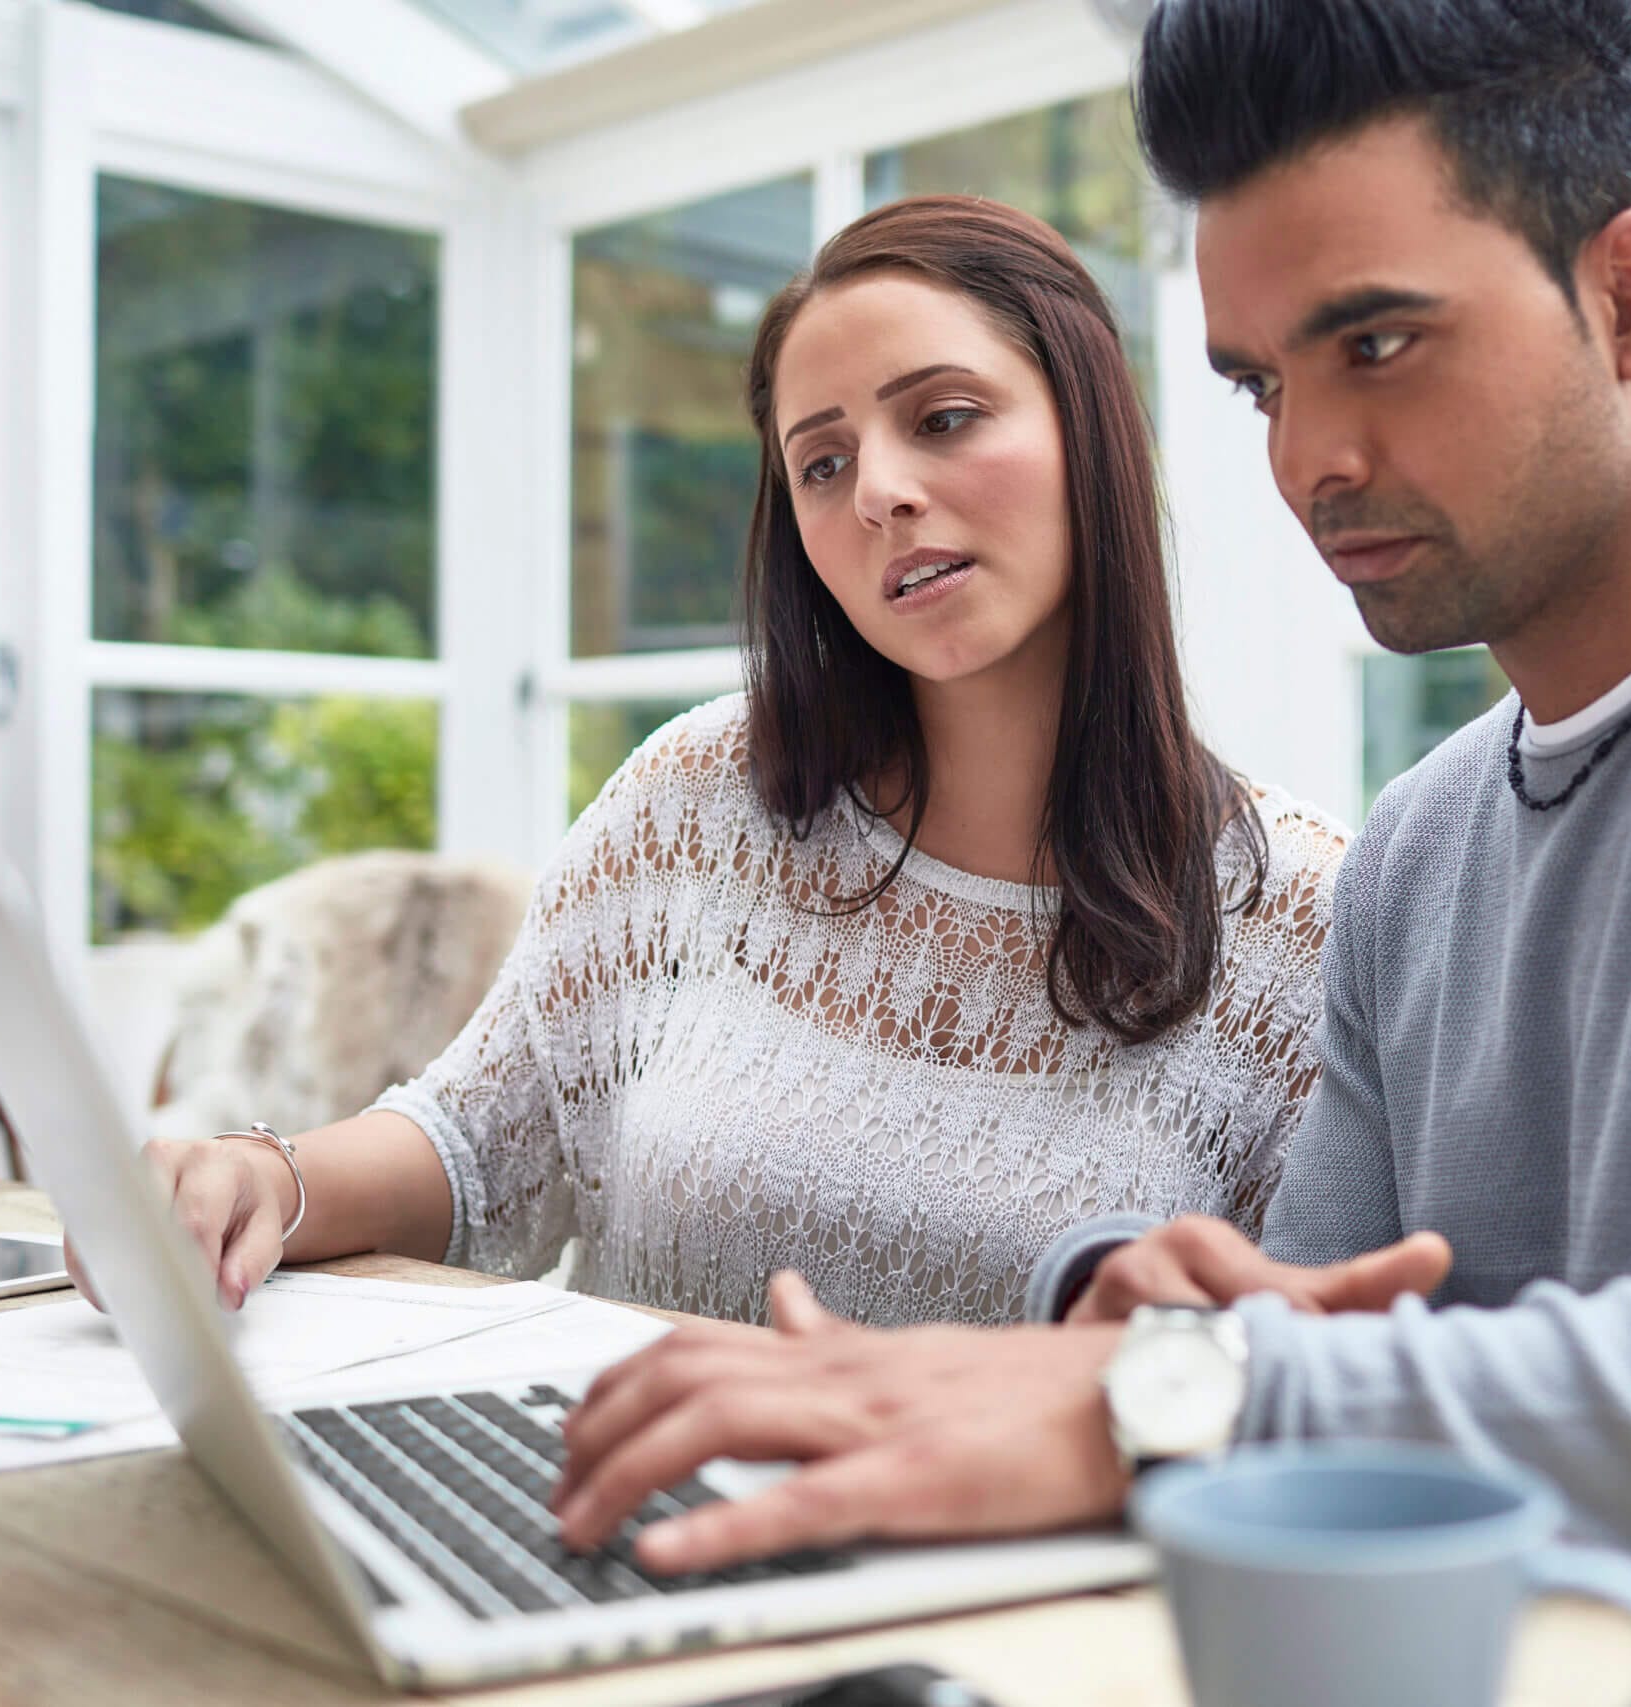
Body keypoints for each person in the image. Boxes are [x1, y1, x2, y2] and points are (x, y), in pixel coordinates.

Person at [543, 0, 1631, 1609]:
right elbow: (1329, 1380)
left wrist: (1187, 1394)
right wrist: (1149, 1308)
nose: (1309, 459)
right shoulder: (1425, 854)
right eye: (1260, 383)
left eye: (1376, 345)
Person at [73, 195, 1359, 1331]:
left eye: (946, 417)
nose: (880, 493)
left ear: (1092, 426)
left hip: (996, 1591)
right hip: (598, 1526)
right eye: (824, 461)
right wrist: (258, 1176)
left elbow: (1285, 1370)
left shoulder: (1303, 918)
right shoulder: (695, 801)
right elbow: (477, 1147)